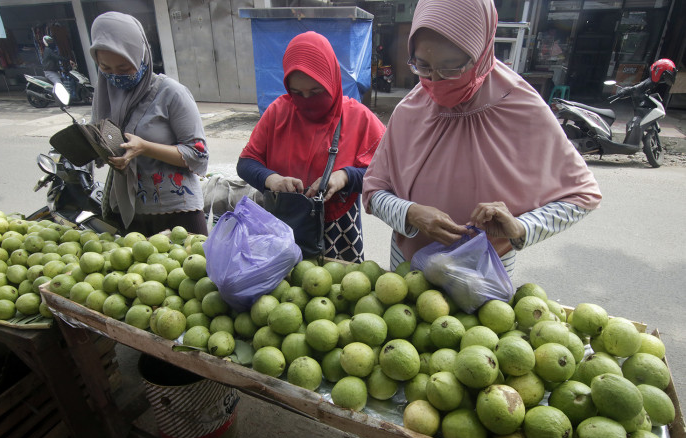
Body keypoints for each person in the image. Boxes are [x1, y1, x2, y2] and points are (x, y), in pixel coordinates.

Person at [362, 0, 602, 276]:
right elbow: (373, 191)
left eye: (451, 68)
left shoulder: (523, 109)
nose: (437, 81)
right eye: (423, 67)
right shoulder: (410, 111)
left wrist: (521, 228)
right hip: (408, 273)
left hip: (484, 275)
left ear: (482, 52)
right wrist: (409, 213)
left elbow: (582, 195)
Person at [237, 31, 386, 263]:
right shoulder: (278, 112)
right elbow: (246, 163)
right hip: (283, 224)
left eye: (316, 92)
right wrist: (272, 180)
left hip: (339, 230)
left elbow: (386, 174)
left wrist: (344, 177)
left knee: (338, 291)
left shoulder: (358, 118)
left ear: (332, 82)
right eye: (297, 93)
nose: (306, 100)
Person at [89, 12, 209, 237]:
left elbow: (198, 154)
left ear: (141, 55)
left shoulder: (171, 93)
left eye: (124, 68)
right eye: (106, 69)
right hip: (130, 212)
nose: (116, 76)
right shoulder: (104, 96)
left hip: (178, 212)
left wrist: (145, 147)